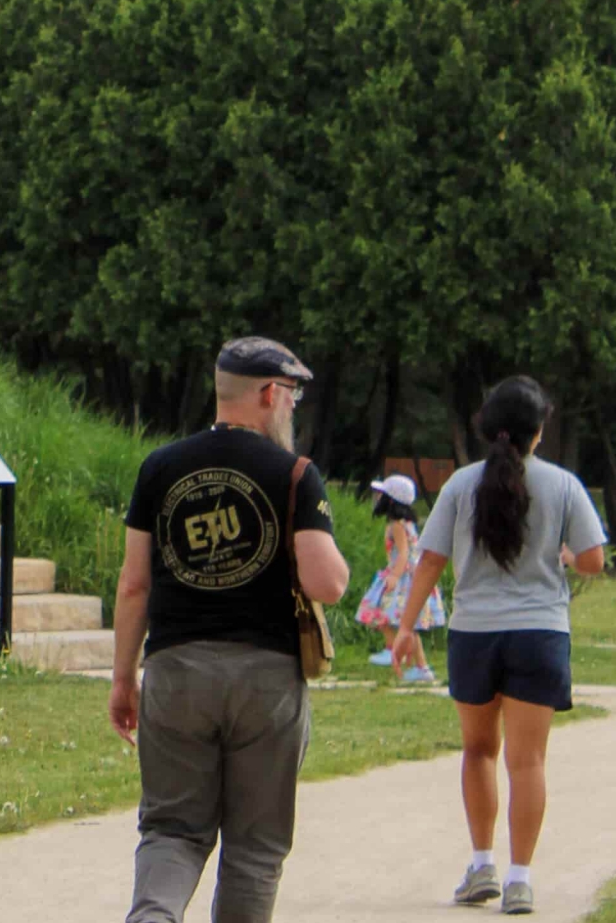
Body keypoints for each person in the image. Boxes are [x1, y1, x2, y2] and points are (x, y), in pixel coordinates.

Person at [109, 337, 352, 923]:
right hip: (266, 679)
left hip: (174, 670)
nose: (292, 407)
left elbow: (134, 585)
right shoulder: (294, 473)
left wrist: (124, 679)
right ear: (269, 394)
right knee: (255, 845)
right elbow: (327, 584)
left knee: (171, 828)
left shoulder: (159, 467)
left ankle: (152, 918)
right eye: (291, 395)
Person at [394, 376, 607, 917]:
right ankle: (520, 879)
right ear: (539, 432)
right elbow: (592, 561)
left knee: (478, 751)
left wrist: (405, 626)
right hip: (541, 633)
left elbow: (431, 560)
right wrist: (559, 557)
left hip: (475, 634)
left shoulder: (461, 486)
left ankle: (481, 863)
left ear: (490, 428)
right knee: (527, 760)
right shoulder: (563, 485)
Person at [356, 474, 443, 684]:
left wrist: (394, 576)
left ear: (391, 500)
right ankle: (419, 667)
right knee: (405, 623)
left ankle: (393, 651)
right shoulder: (408, 523)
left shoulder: (397, 525)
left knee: (380, 613)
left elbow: (403, 553)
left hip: (402, 578)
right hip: (410, 576)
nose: (377, 498)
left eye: (381, 495)